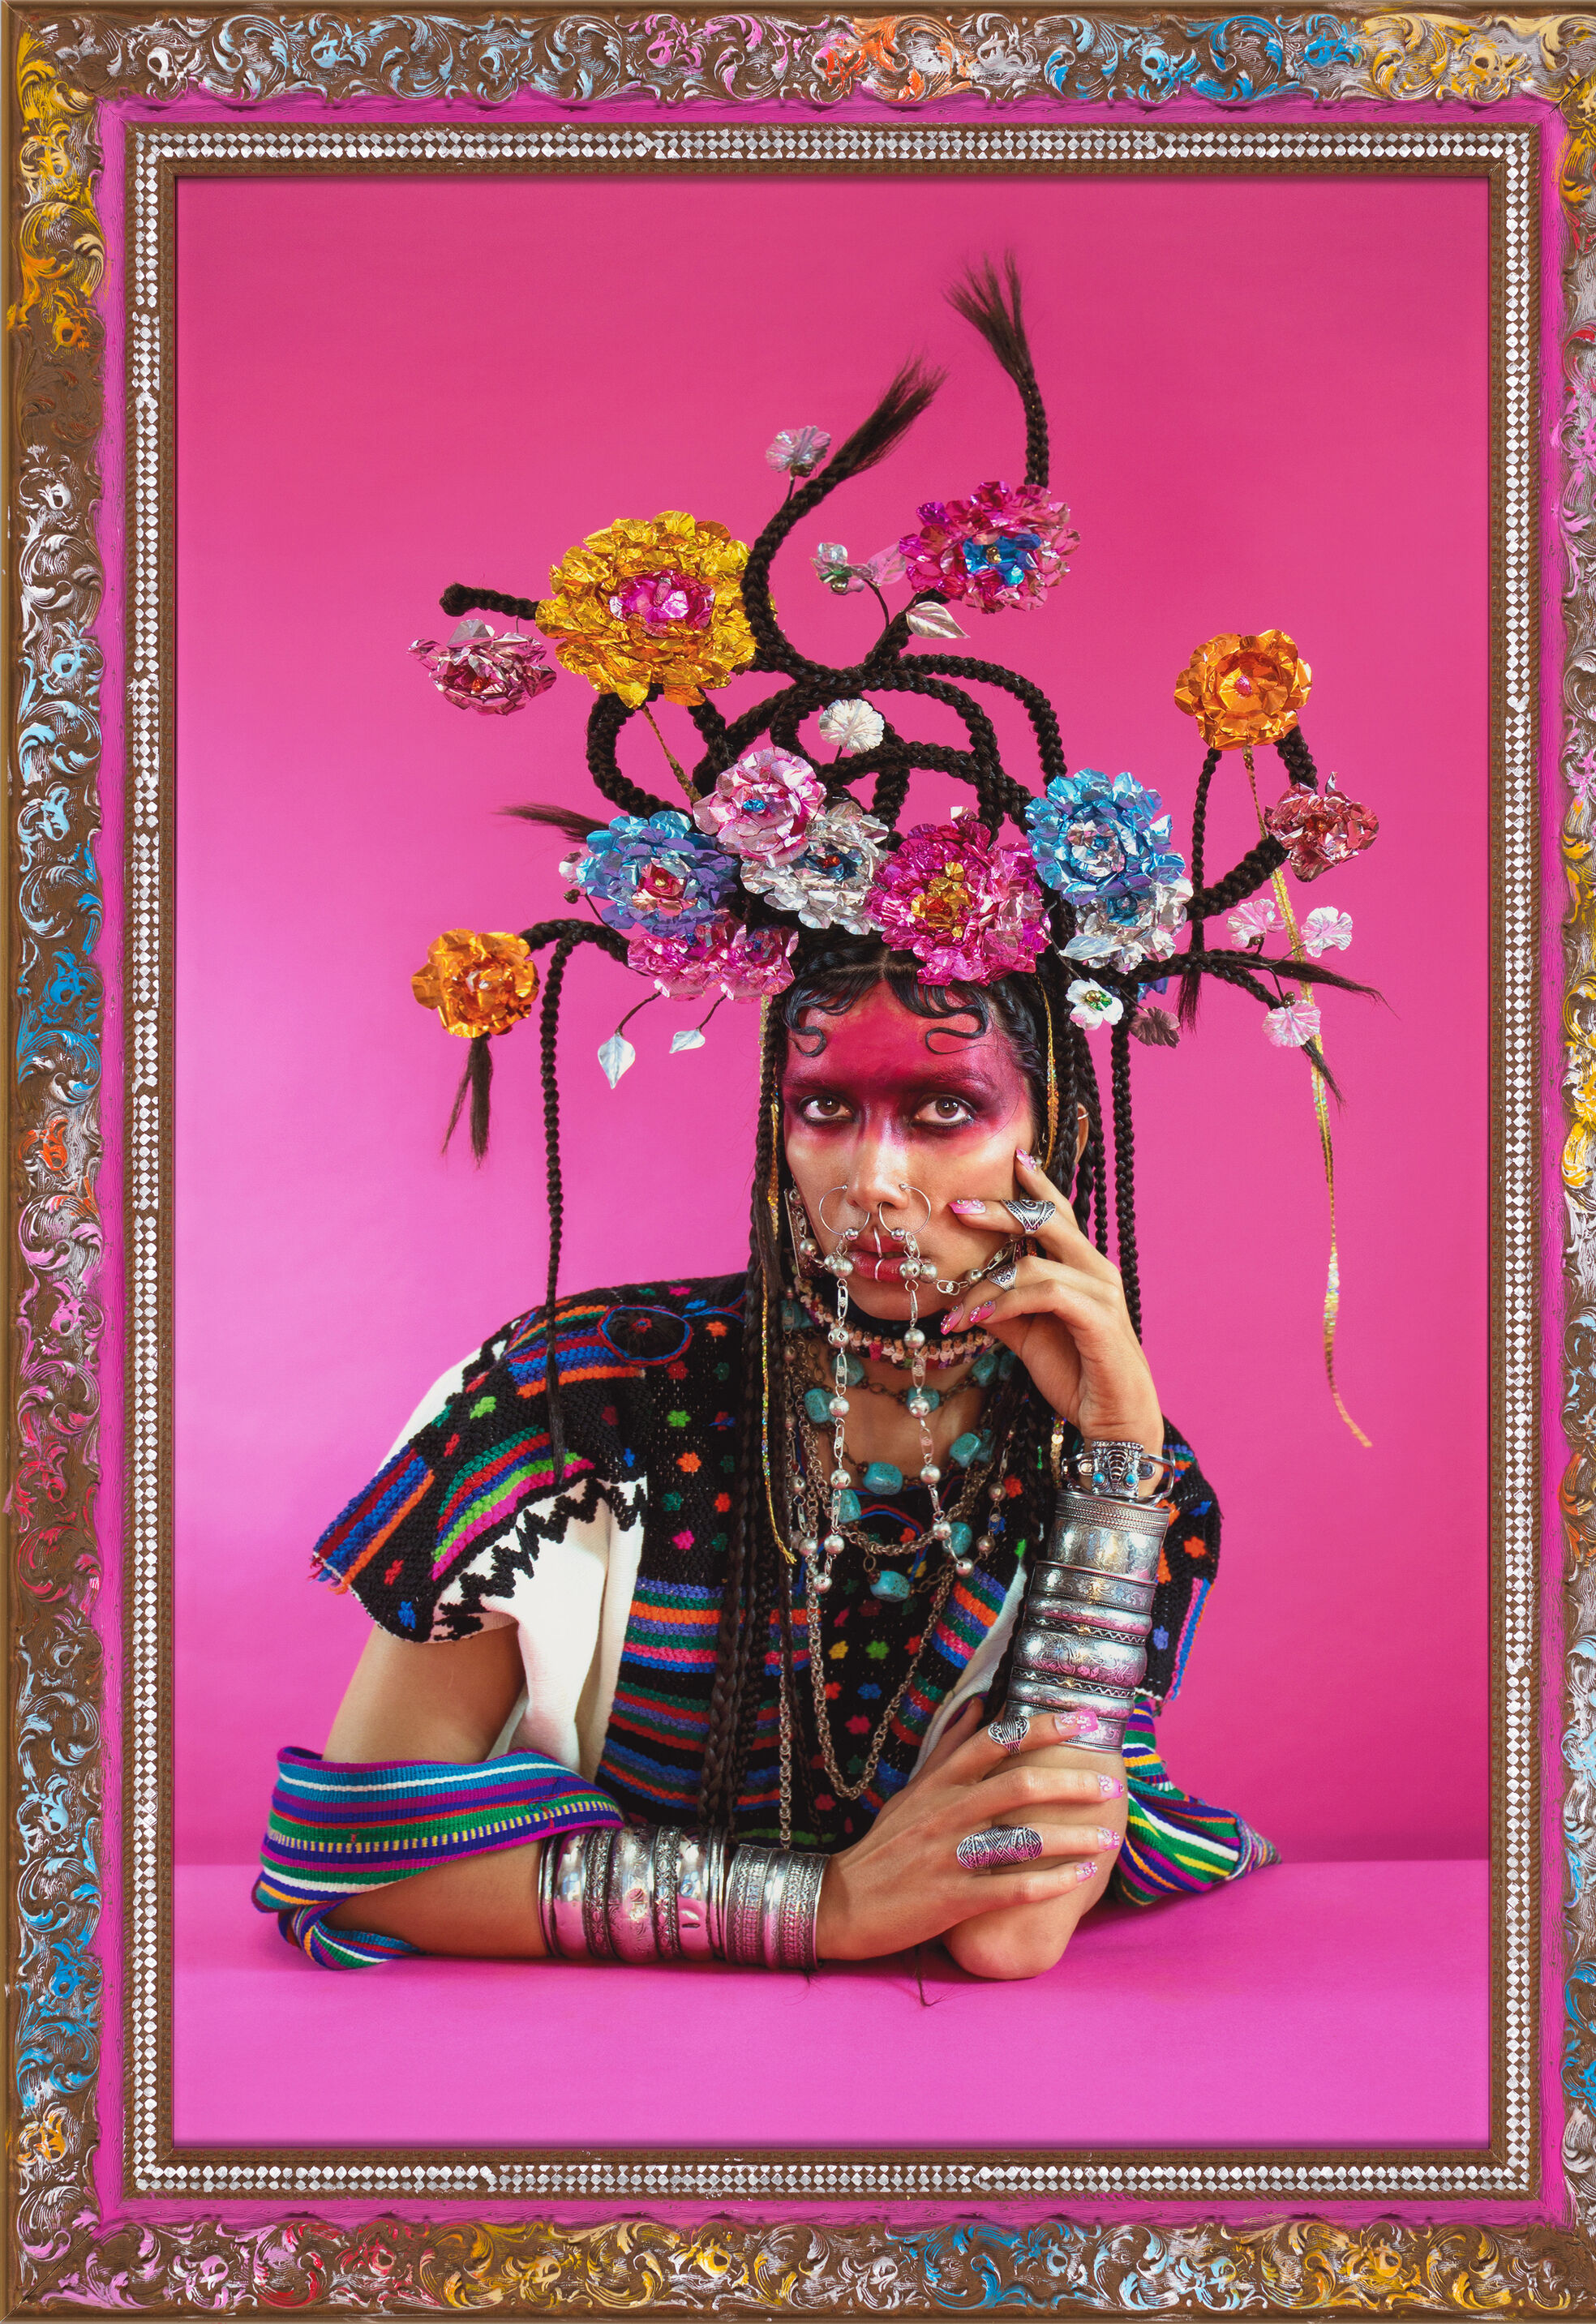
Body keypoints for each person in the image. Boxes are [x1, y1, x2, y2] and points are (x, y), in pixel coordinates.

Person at [255, 259, 1366, 1979]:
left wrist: (1120, 1454)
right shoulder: (573, 1407)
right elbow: (356, 1854)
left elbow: (1010, 1934)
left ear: (1046, 1119)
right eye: (823, 1110)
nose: (871, 1174)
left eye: (940, 1108)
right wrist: (827, 1910)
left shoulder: (1112, 1470)